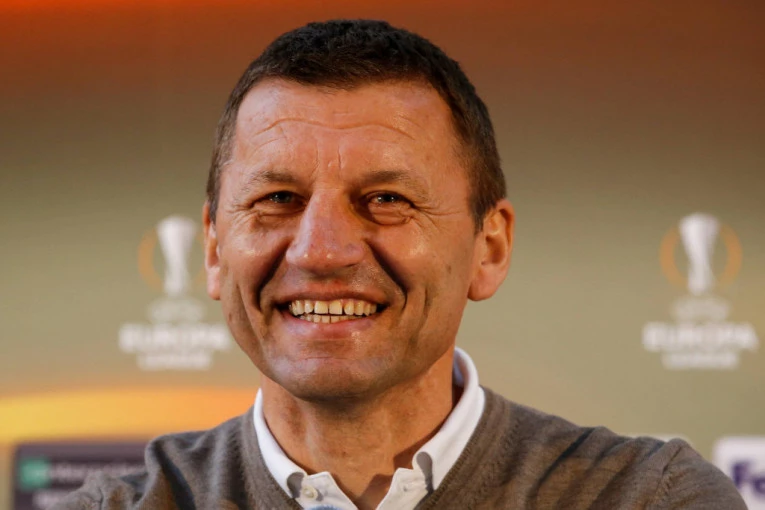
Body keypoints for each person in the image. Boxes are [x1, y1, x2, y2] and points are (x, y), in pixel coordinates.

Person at [56, 19, 745, 510]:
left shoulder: (647, 498)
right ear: (212, 251)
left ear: (489, 247)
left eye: (386, 200)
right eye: (277, 200)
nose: (321, 250)